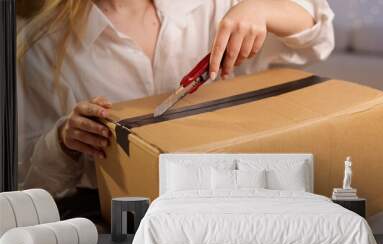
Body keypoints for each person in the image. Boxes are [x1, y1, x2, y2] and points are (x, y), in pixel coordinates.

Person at [17, 0, 334, 200]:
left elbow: (319, 36)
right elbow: (28, 186)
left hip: (229, 194)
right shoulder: (39, 45)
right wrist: (63, 140)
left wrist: (261, 8)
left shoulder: (210, 5)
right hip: (119, 219)